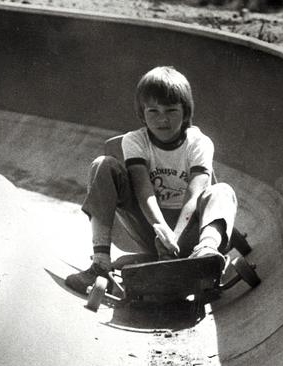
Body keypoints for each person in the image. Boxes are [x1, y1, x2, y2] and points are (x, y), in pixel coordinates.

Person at [65, 66, 237, 295]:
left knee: (222, 191)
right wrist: (161, 231)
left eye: (171, 110)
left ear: (185, 113)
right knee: (102, 164)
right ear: (142, 113)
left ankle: (206, 253)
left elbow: (195, 194)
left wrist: (174, 237)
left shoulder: (199, 143)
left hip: (189, 231)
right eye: (153, 111)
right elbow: (143, 190)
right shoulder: (135, 141)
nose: (162, 119)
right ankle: (100, 263)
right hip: (152, 230)